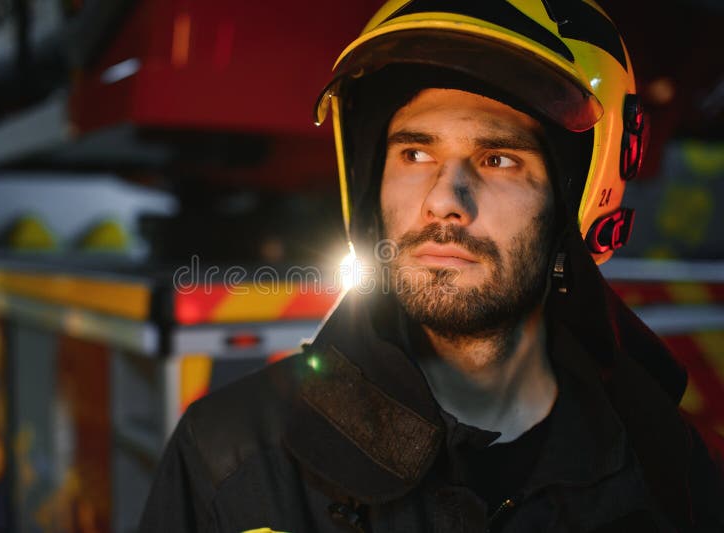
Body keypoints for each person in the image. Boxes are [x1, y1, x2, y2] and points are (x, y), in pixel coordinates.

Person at [139, 1, 724, 531]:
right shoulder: (229, 458)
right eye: (415, 153)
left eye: (497, 159)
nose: (444, 199)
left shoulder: (662, 469)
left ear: (577, 204)